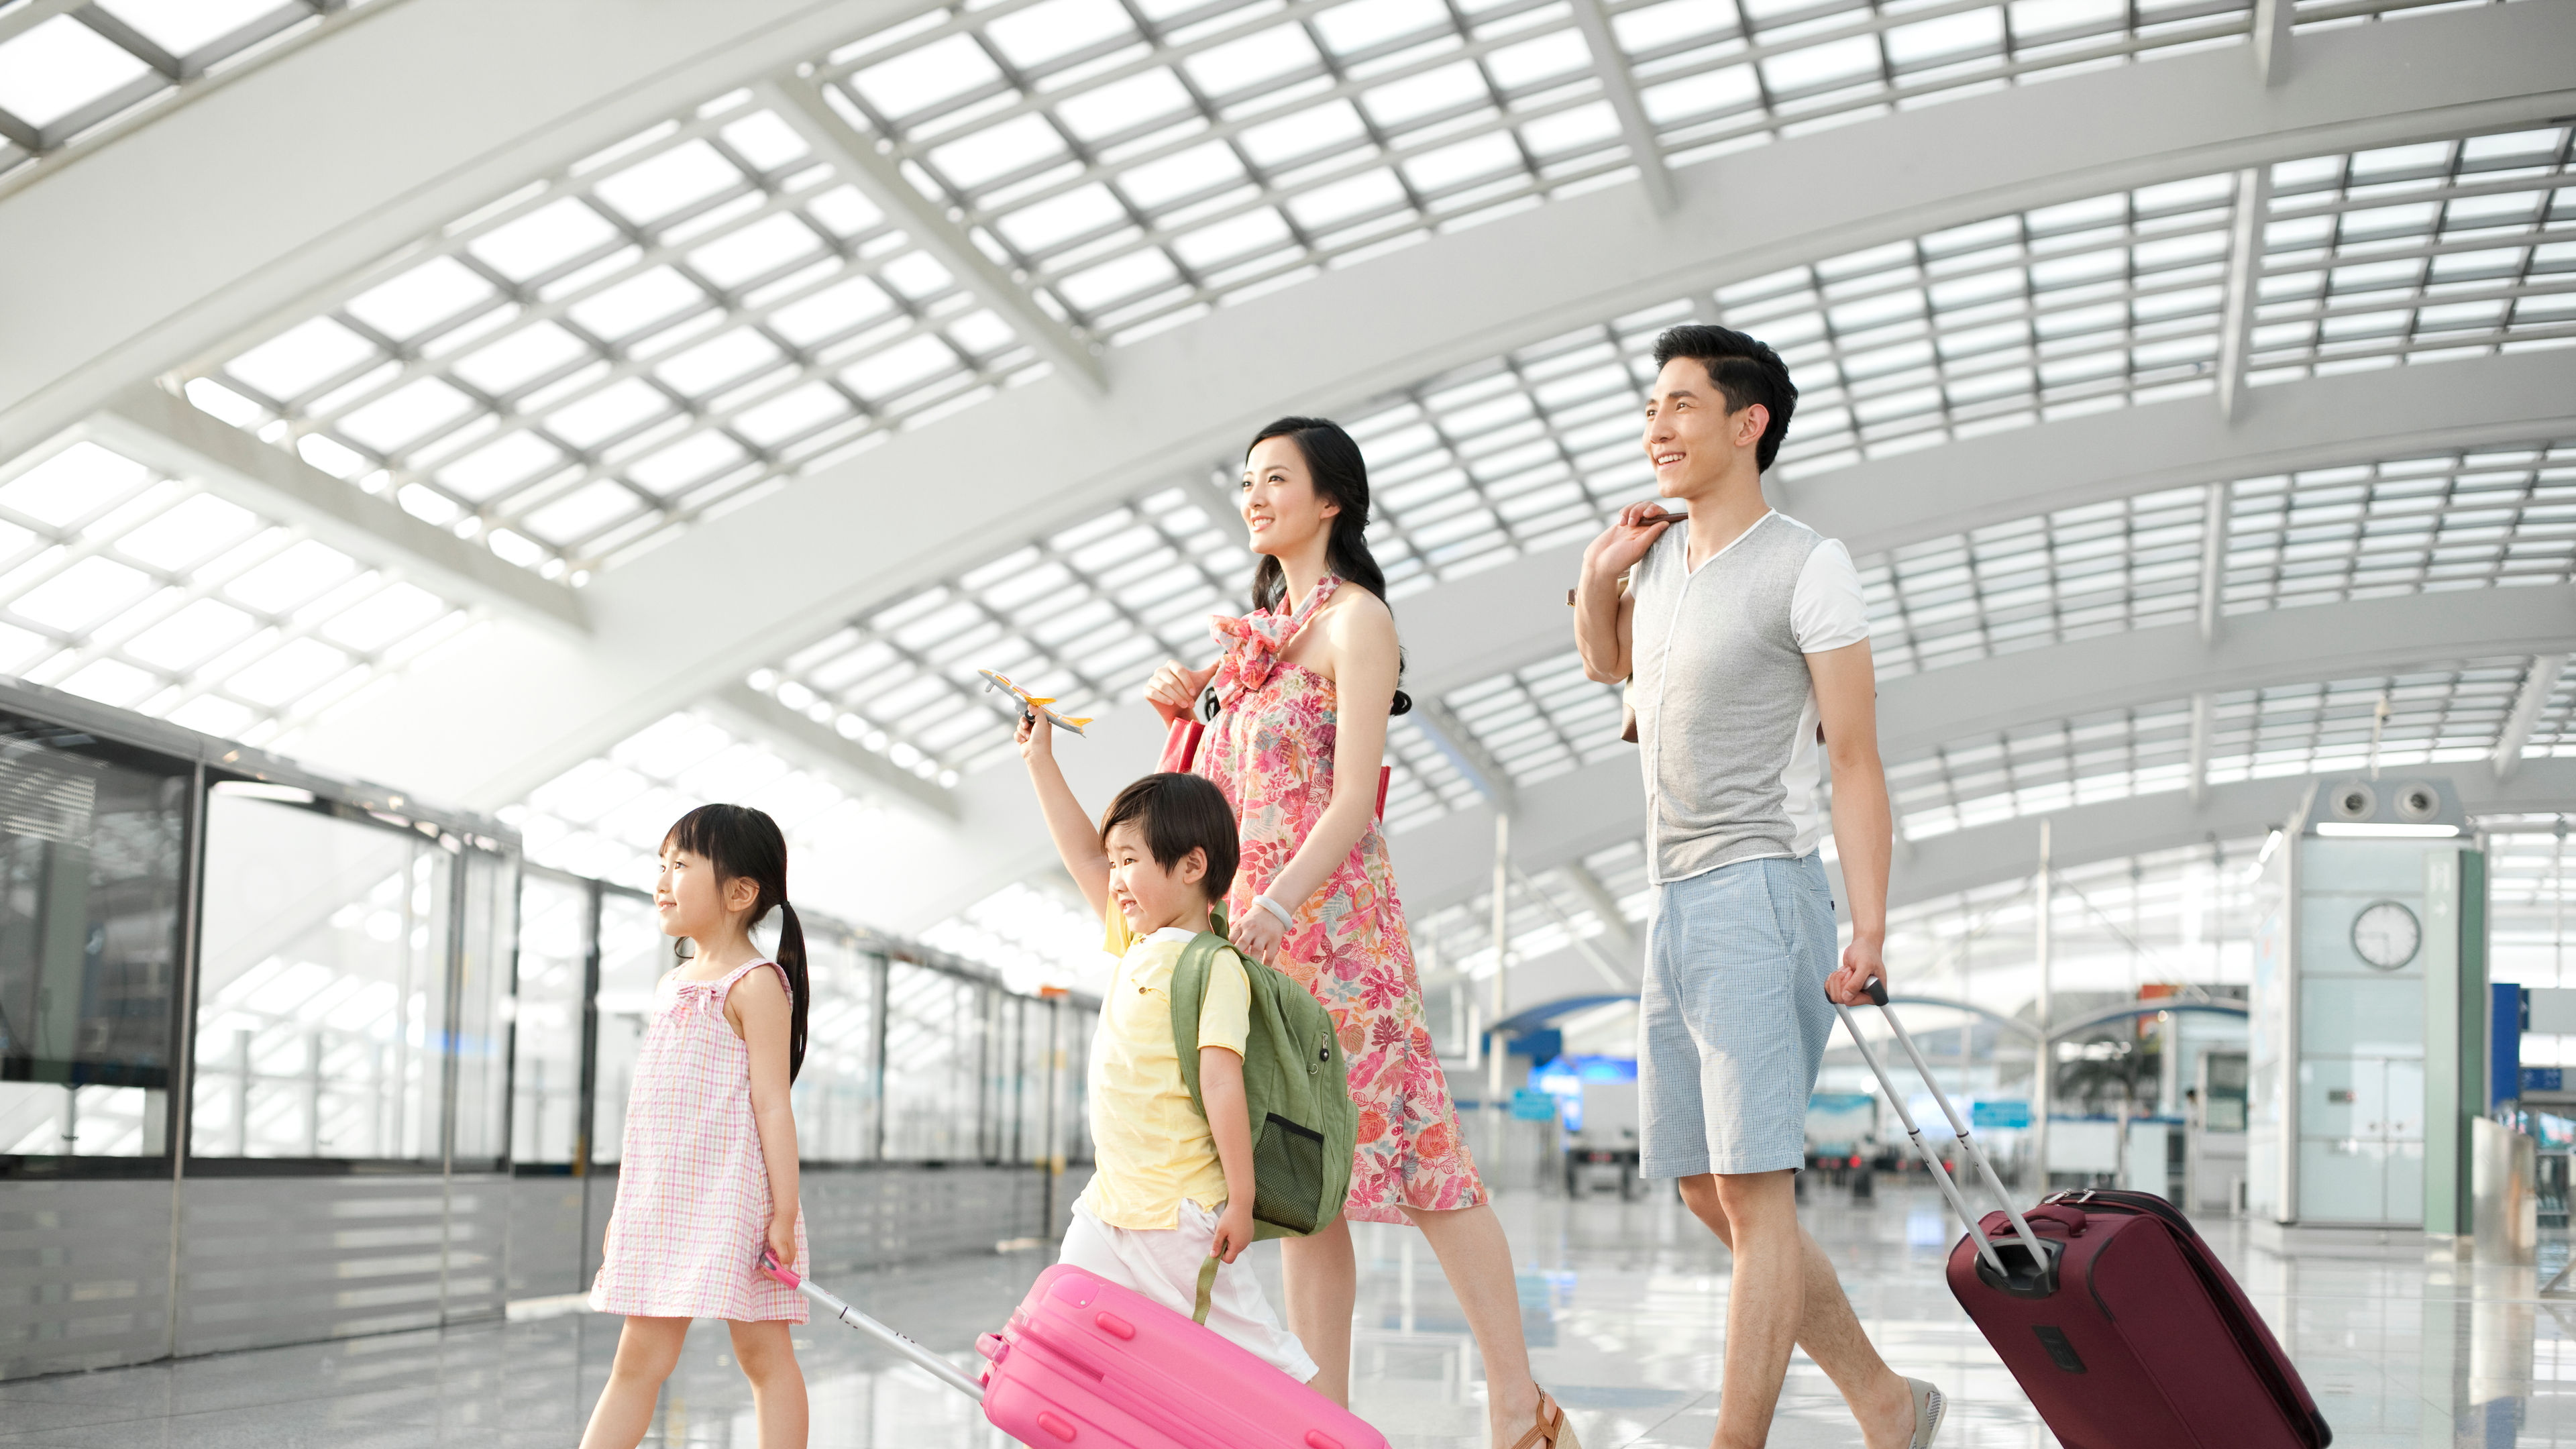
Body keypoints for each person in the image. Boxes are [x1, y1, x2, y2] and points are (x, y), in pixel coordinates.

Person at [1144, 418, 1576, 1449]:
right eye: (1246, 482)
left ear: (1330, 498)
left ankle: (1517, 1399)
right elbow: (1217, 800)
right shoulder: (1254, 644)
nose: (1254, 497)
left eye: (1276, 479)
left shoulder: (1356, 623)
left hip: (1335, 934)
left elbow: (1352, 802)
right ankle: (1320, 1421)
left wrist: (1276, 907)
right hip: (1258, 941)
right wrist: (1189, 719)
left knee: (1425, 1161)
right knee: (1308, 1184)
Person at [1572, 325, 1945, 1449]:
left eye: (1681, 406)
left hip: (1761, 890)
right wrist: (1599, 577)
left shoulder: (1806, 564)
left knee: (1754, 1191)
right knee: (1703, 1187)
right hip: (1672, 903)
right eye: (1650, 409)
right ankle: (1885, 1399)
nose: (1656, 428)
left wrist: (1869, 925)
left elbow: (1854, 757)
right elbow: (1608, 670)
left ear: (1749, 425)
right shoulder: (1664, 563)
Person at [1014, 721, 1320, 1379]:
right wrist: (1041, 761)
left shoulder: (1215, 967)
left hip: (1183, 1220)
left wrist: (1241, 1201)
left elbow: (1222, 1085)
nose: (1115, 877)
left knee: (1254, 1368)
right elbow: (1081, 856)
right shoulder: (1137, 941)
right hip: (1109, 1206)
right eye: (1114, 860)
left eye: (1131, 859)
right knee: (1058, 1344)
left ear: (1191, 865)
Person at [582, 804, 812, 1449]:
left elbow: (773, 1105)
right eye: (662, 864)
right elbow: (653, 1117)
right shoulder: (673, 983)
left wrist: (783, 1214)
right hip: (663, 1203)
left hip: (736, 1202)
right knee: (637, 1361)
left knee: (763, 1357)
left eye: (681, 865)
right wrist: (628, 1207)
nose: (662, 879)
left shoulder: (756, 984)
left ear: (740, 892)